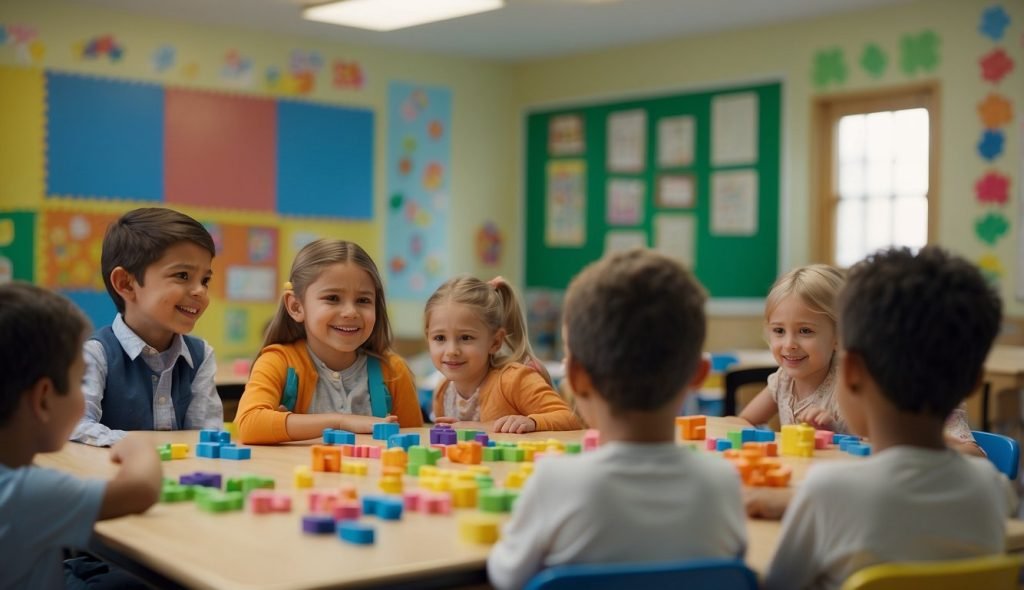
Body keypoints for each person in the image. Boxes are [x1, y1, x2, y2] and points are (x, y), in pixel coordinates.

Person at [755, 247, 1016, 590]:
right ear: (973, 383)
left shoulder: (827, 491)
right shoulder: (995, 490)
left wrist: (798, 503)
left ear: (850, 373)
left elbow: (778, 585)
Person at [487, 250, 746, 588]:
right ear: (698, 375)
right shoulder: (723, 483)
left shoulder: (554, 483)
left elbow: (505, 576)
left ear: (576, 377)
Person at [0, 283, 161, 589]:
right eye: (80, 381)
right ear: (44, 399)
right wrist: (138, 447)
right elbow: (141, 489)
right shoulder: (25, 492)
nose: (82, 392)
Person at [235, 239, 422, 444]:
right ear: (296, 306)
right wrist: (341, 422)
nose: (351, 312)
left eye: (363, 300)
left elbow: (415, 441)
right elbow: (249, 425)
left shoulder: (393, 371)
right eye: (332, 298)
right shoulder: (277, 361)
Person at [71, 207, 223, 447]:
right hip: (115, 478)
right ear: (126, 284)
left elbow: (207, 436)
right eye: (183, 275)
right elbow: (75, 426)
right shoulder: (97, 355)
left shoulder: (201, 356)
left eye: (205, 280)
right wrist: (140, 446)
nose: (200, 291)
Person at [425, 276, 580, 433]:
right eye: (439, 338)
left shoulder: (513, 380)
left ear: (495, 342)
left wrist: (531, 422)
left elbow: (570, 418)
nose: (451, 351)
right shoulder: (443, 391)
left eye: (466, 338)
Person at [736, 264, 849, 432]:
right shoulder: (782, 381)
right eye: (779, 331)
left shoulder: (844, 389)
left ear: (838, 337)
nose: (789, 344)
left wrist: (834, 430)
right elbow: (743, 422)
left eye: (805, 331)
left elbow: (866, 445)